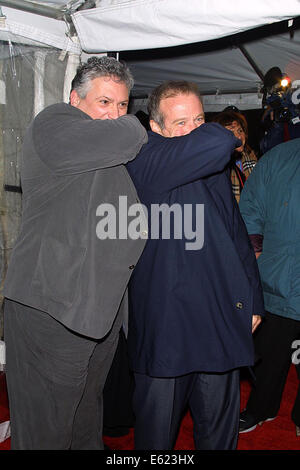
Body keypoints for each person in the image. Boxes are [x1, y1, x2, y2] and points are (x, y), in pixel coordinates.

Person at [3, 56, 148, 450]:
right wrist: (135, 122)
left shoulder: (99, 153)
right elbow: (128, 137)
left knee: (84, 419)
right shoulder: (53, 123)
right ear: (74, 99)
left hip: (93, 310)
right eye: (104, 102)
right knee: (45, 431)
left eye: (122, 105)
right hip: (50, 306)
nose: (115, 114)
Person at [126, 80, 264, 450]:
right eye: (181, 123)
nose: (194, 131)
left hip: (217, 321)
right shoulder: (146, 161)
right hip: (167, 329)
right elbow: (221, 140)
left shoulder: (212, 169)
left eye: (199, 120)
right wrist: (215, 131)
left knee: (219, 435)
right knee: (156, 441)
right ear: (155, 129)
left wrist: (252, 298)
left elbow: (236, 235)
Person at [238, 138, 300, 436]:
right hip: (278, 280)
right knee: (270, 354)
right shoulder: (281, 157)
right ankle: (261, 409)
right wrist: (257, 253)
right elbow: (250, 207)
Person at [212, 110, 257, 203]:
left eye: (240, 130)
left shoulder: (252, 159)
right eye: (231, 132)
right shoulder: (216, 168)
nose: (238, 136)